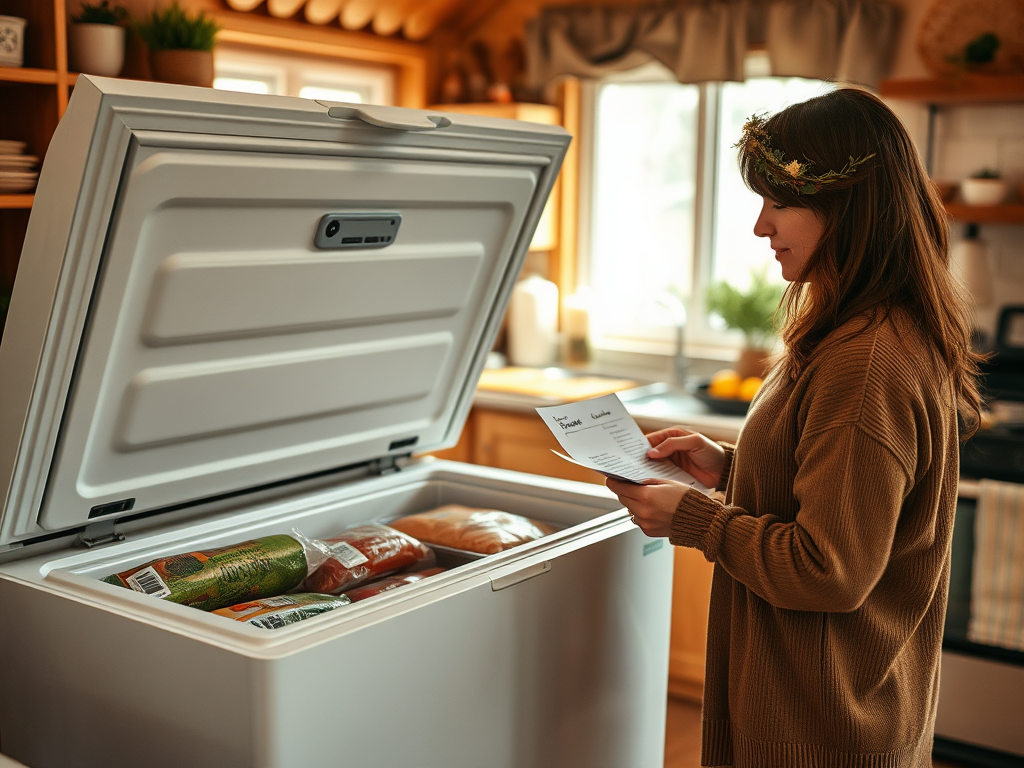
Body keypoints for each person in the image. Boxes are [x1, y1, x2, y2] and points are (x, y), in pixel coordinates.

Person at [606, 88, 984, 768]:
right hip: (824, 715)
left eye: (778, 202)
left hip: (818, 732)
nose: (760, 226)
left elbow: (829, 570)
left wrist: (694, 519)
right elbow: (845, 491)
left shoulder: (865, 362)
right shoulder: (864, 330)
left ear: (845, 207)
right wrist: (731, 469)